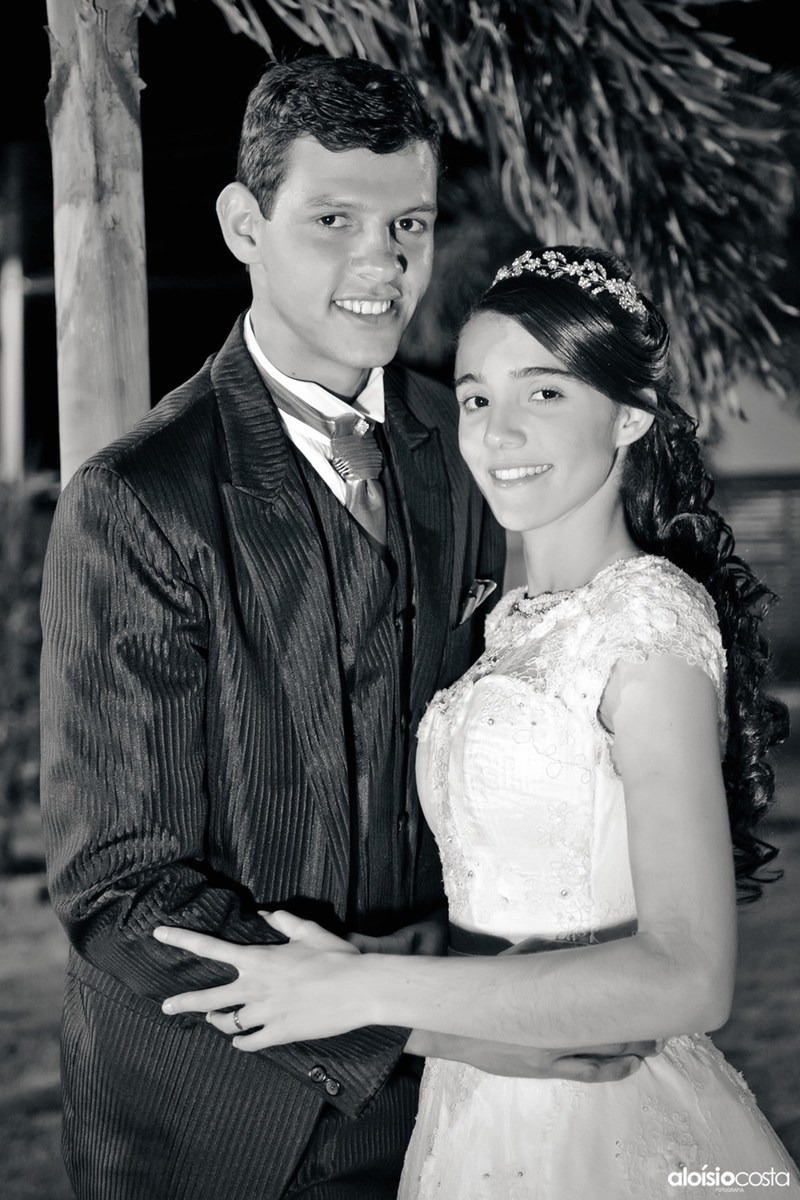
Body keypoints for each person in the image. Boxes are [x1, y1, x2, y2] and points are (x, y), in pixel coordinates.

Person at [39, 61, 652, 1200]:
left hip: (446, 1112)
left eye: (406, 223)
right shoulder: (138, 499)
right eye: (333, 221)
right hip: (210, 1126)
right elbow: (119, 885)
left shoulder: (472, 446)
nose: (382, 264)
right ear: (244, 225)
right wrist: (429, 1022)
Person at [155, 246, 800, 1197]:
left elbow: (689, 977)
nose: (499, 432)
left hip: (604, 1121)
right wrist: (367, 962)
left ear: (629, 414)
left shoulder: (649, 621)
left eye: (544, 393)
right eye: (475, 398)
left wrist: (360, 991)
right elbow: (508, 901)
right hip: (478, 1101)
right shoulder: (509, 621)